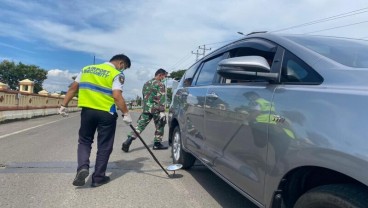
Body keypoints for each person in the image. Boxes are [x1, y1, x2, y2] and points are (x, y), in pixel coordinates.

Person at [58, 54, 133, 187]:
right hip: (106, 113)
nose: (123, 70)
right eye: (124, 68)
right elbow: (116, 95)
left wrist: (64, 105)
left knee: (84, 141)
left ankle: (82, 167)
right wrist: (126, 113)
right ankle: (98, 178)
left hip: (87, 112)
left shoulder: (87, 69)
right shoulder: (116, 73)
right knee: (104, 145)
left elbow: (73, 88)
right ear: (121, 63)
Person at [122, 68, 168, 152]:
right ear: (160, 75)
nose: (164, 78)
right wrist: (162, 111)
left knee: (140, 126)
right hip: (156, 109)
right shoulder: (160, 84)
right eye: (164, 76)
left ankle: (128, 140)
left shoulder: (146, 83)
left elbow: (144, 97)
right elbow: (161, 98)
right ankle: (157, 144)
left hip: (146, 109)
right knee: (160, 125)